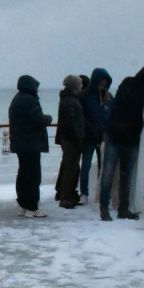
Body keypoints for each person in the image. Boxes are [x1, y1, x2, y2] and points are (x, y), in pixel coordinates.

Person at [100, 62, 144, 220]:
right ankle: (104, 208)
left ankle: (123, 209)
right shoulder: (129, 83)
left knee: (126, 175)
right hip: (116, 135)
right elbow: (131, 101)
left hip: (131, 137)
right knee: (108, 173)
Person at [7, 74, 51, 216]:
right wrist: (48, 118)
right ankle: (32, 207)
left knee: (23, 174)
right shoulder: (30, 100)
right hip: (31, 143)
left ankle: (23, 204)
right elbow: (38, 119)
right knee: (33, 175)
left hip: (21, 143)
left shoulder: (17, 98)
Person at [54, 75, 86, 208]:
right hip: (71, 139)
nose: (81, 87)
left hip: (67, 138)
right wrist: (79, 139)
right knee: (71, 168)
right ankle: (66, 197)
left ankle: (64, 193)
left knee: (69, 166)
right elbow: (72, 123)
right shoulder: (71, 101)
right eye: (79, 85)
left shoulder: (67, 99)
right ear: (75, 86)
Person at [81, 68, 111, 200]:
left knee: (103, 166)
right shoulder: (86, 95)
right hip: (89, 136)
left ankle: (102, 193)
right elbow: (82, 117)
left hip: (104, 136)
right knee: (86, 165)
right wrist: (91, 130)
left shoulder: (108, 97)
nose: (103, 84)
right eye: (101, 80)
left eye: (105, 81)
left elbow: (112, 113)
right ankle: (84, 193)